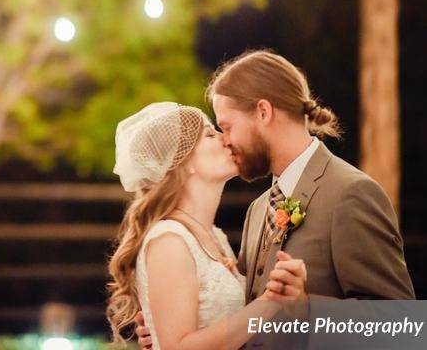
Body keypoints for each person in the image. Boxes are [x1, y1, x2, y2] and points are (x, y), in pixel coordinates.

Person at [131, 50, 415, 349]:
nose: (225, 139)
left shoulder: (350, 193)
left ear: (263, 113)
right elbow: (244, 317)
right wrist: (168, 327)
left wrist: (307, 309)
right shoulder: (258, 209)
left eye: (227, 126)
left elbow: (401, 327)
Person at [107, 101, 307, 350]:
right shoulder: (169, 241)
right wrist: (268, 302)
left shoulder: (215, 237)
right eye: (210, 134)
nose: (226, 139)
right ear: (182, 160)